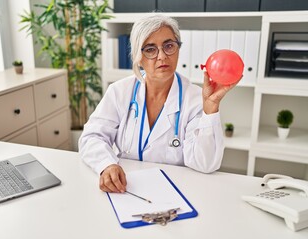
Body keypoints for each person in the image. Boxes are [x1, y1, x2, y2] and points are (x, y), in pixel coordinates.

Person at [79, 14, 239, 193]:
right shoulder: (120, 91)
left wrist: (210, 109)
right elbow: (91, 137)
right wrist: (106, 164)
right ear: (138, 57)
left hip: (177, 191)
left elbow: (206, 164)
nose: (162, 56)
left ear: (178, 48)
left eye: (169, 46)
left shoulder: (196, 97)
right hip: (127, 188)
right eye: (150, 49)